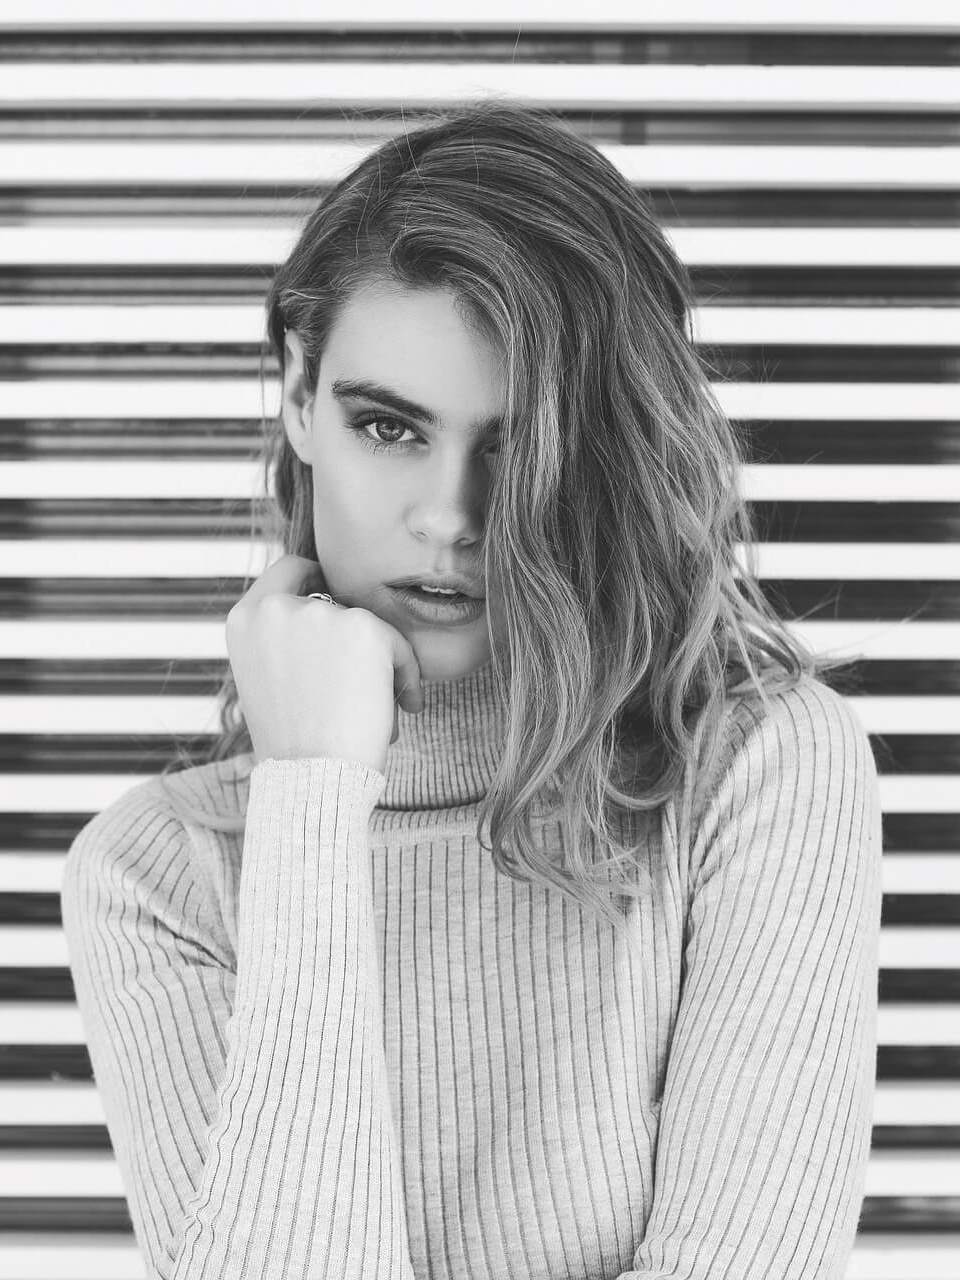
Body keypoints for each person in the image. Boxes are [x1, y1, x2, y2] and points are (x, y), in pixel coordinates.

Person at [59, 99, 883, 1280]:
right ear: (298, 395)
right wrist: (312, 798)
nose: (451, 515)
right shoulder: (158, 876)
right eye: (389, 427)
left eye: (517, 443)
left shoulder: (755, 773)